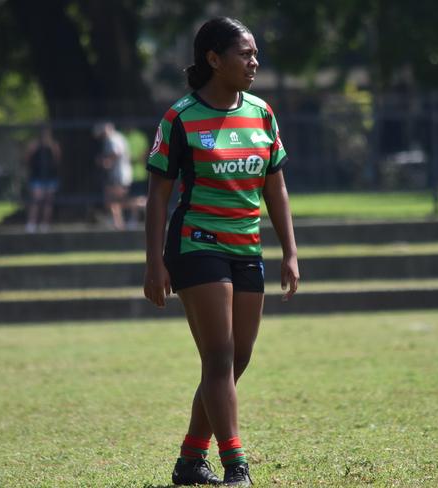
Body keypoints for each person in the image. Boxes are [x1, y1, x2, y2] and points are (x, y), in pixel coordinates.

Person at [144, 17, 299, 487]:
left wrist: (290, 250)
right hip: (197, 243)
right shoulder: (181, 118)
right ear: (214, 59)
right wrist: (154, 263)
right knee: (218, 356)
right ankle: (237, 466)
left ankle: (191, 460)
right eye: (245, 54)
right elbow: (158, 196)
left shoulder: (262, 113)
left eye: (255, 54)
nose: (254, 62)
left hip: (246, 246)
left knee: (238, 359)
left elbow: (276, 187)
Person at [94, 122, 133, 229]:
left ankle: (140, 205)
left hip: (118, 174)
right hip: (123, 173)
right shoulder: (119, 137)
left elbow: (117, 153)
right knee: (114, 200)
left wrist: (106, 161)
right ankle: (118, 222)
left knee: (114, 200)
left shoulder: (112, 139)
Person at [25, 126, 61, 233]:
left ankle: (45, 224)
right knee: (36, 200)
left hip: (50, 176)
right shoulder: (33, 145)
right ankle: (32, 223)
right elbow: (27, 159)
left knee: (48, 202)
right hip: (37, 176)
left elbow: (57, 160)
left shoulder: (53, 145)